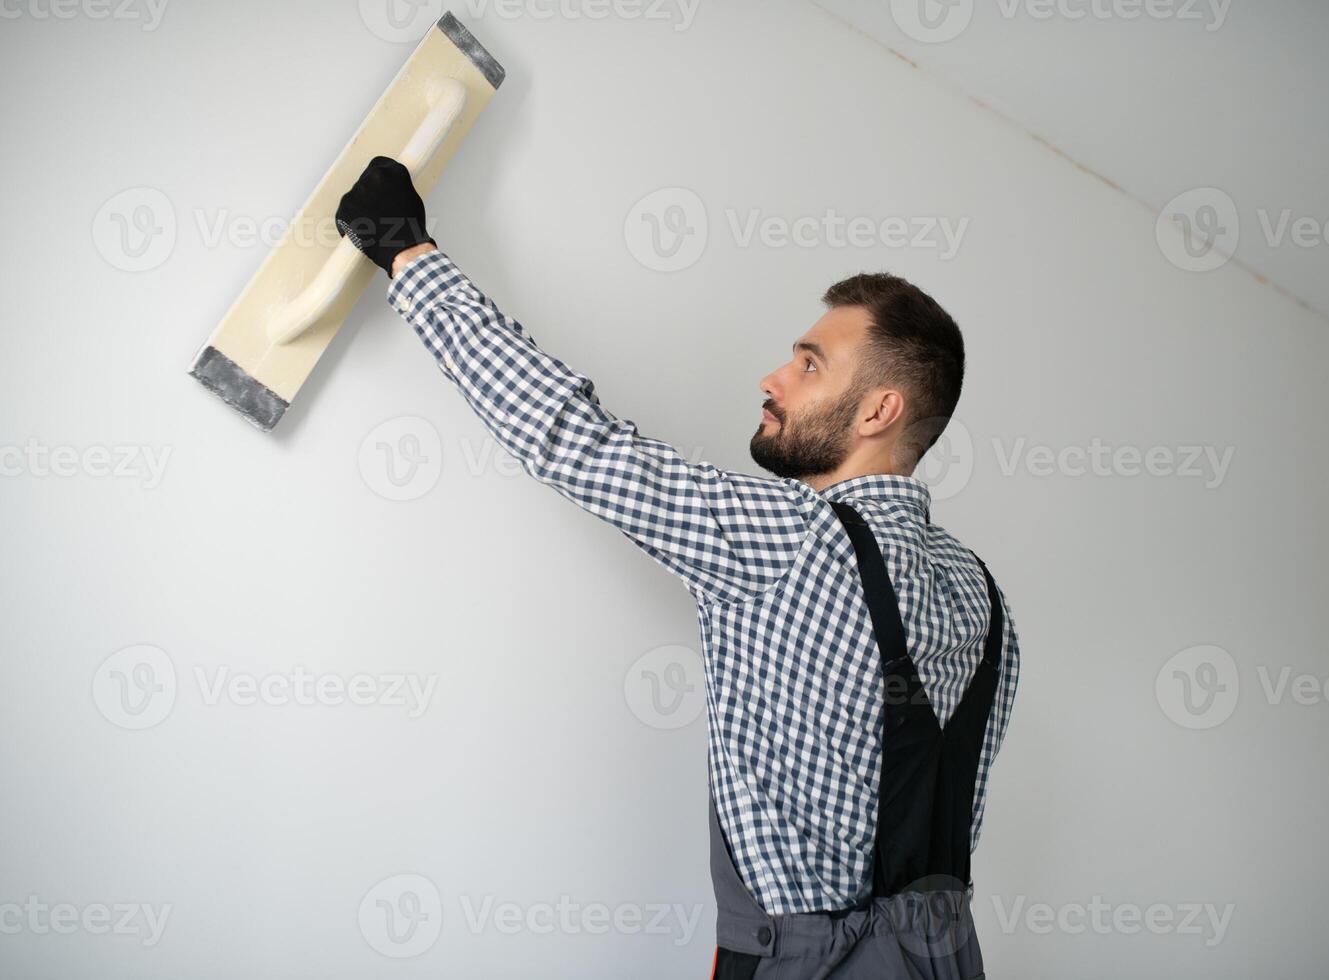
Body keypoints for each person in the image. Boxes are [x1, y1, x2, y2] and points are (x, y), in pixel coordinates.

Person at [336, 156, 1021, 979]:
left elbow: (574, 440)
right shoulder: (984, 598)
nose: (772, 380)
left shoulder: (793, 536)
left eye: (808, 364)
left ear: (879, 411)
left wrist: (407, 252)